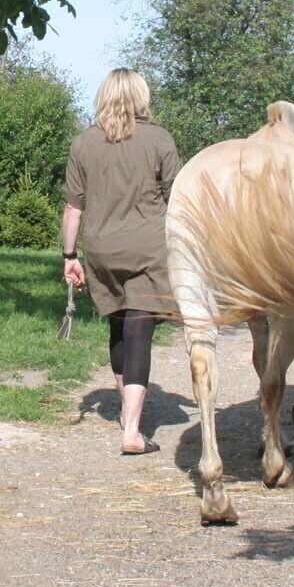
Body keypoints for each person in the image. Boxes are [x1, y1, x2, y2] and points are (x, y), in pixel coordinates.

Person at [62, 68, 182, 455]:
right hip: (148, 248)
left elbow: (72, 208)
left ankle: (125, 413)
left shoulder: (84, 144)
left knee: (118, 325)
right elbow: (177, 200)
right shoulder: (160, 139)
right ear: (142, 97)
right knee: (139, 330)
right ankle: (131, 429)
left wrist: (69, 256)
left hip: (101, 248)